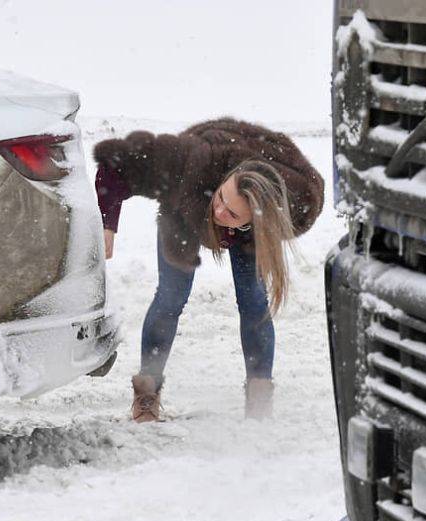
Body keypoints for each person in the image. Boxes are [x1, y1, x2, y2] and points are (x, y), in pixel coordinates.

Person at [93, 118, 324, 422]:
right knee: (171, 297)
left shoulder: (295, 203)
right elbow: (115, 162)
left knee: (254, 300)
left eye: (231, 213)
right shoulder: (186, 163)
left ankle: (259, 401)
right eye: (222, 199)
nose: (220, 211)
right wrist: (107, 224)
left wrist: (246, 225)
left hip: (254, 220)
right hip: (187, 203)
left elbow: (309, 193)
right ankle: (146, 396)